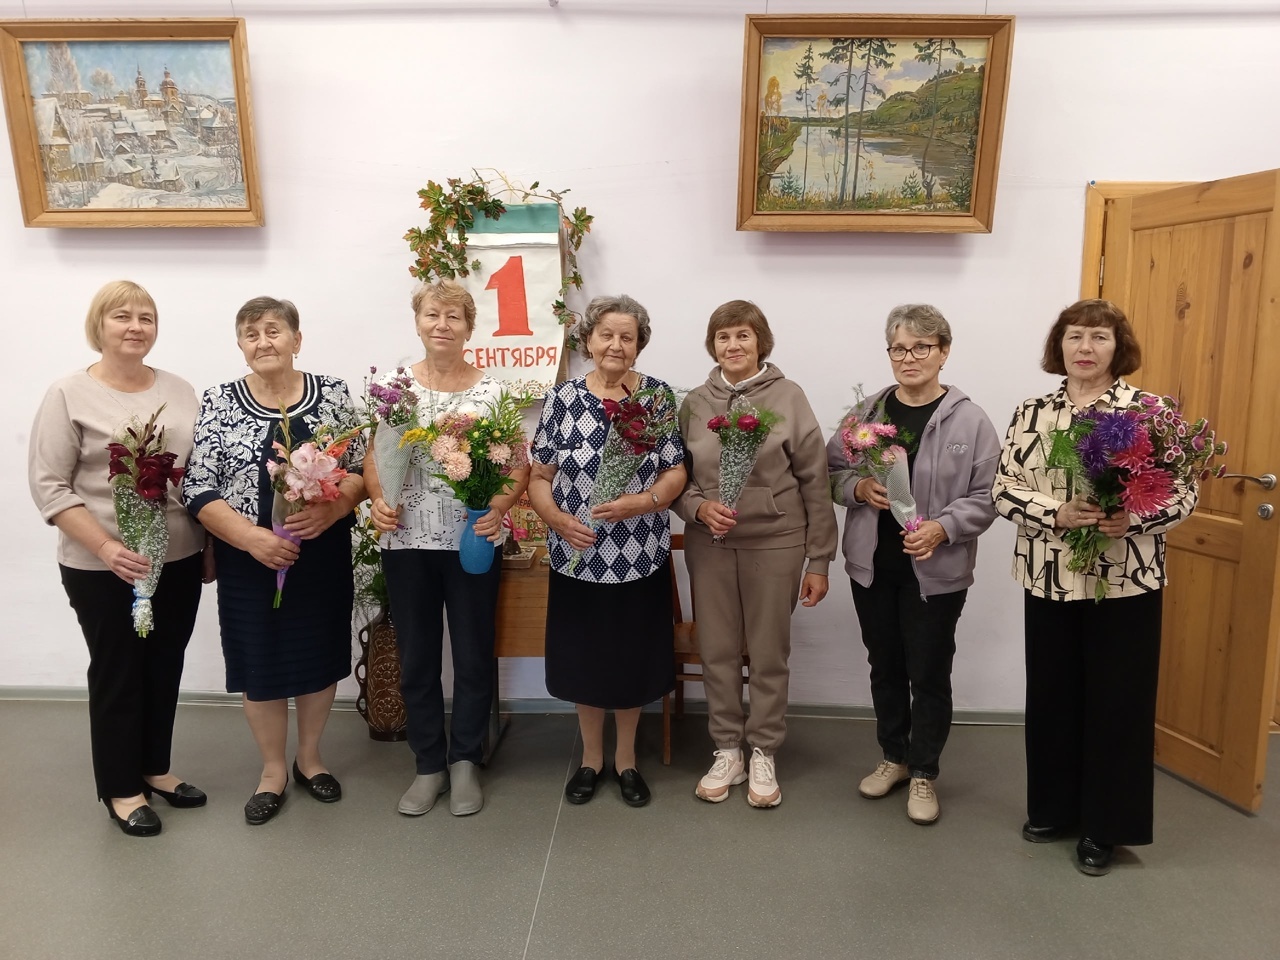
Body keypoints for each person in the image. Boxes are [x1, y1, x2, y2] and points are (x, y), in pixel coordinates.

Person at [992, 298, 1198, 876]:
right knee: (1052, 697)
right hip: (1047, 576)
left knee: (1117, 703)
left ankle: (1106, 826)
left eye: (1099, 337)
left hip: (1125, 582)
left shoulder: (1151, 412)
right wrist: (1054, 513)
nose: (1085, 347)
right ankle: (1053, 810)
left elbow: (1184, 493)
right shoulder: (1031, 411)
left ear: (1118, 347)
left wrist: (1135, 516)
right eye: (1075, 336)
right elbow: (1003, 489)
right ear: (1059, 345)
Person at [29, 280, 206, 837]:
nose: (135, 327)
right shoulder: (68, 394)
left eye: (146, 317)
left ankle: (154, 767)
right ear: (99, 326)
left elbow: (199, 476)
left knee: (165, 664)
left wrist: (208, 545)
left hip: (178, 557)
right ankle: (121, 788)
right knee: (119, 671)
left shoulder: (180, 390)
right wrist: (106, 547)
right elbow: (50, 485)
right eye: (122, 316)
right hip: (102, 564)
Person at [183, 297, 366, 826]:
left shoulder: (332, 393)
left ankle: (310, 759)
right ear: (240, 346)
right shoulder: (219, 400)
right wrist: (250, 538)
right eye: (251, 334)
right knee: (258, 660)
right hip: (249, 562)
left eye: (273, 330)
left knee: (317, 653)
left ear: (296, 340)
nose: (263, 342)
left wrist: (334, 508)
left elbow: (360, 469)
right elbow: (198, 486)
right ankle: (272, 772)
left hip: (320, 555)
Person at [826, 304, 1000, 824]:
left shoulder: (970, 419)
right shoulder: (867, 413)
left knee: (928, 671)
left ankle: (924, 772)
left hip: (935, 571)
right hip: (873, 566)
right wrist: (859, 487)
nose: (909, 358)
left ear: (944, 352)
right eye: (899, 348)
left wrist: (943, 528)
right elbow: (831, 472)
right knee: (885, 666)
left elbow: (988, 495)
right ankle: (894, 758)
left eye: (922, 347)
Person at [366, 280, 529, 818]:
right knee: (417, 656)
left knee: (473, 653)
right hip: (406, 540)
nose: (442, 324)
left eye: (454, 316)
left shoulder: (493, 391)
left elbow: (517, 465)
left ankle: (465, 761)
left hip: (472, 540)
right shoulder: (394, 389)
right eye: (433, 314)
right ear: (418, 322)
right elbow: (375, 456)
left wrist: (498, 509)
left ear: (469, 328)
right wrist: (378, 500)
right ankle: (428, 764)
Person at [674, 299, 836, 808]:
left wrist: (819, 559)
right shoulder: (695, 402)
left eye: (743, 335)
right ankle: (727, 749)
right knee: (717, 651)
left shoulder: (788, 396)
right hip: (711, 546)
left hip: (777, 542)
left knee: (768, 654)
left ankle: (764, 749)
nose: (733, 345)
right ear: (712, 345)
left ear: (760, 341)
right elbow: (675, 479)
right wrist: (697, 508)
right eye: (723, 337)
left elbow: (816, 481)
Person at [529, 294, 687, 808]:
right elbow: (539, 476)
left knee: (631, 658)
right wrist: (556, 520)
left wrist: (645, 501)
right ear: (588, 341)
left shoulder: (657, 398)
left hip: (639, 554)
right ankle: (591, 758)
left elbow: (676, 471)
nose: (616, 345)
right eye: (606, 335)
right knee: (585, 659)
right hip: (577, 555)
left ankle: (627, 759)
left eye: (627, 337)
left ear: (639, 345)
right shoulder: (563, 398)